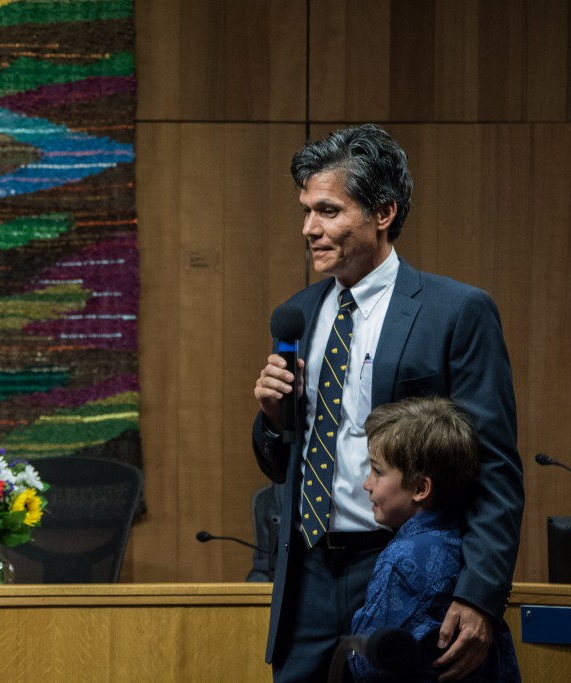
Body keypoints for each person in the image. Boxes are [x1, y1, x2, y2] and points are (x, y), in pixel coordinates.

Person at [251, 124, 524, 683]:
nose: (309, 228)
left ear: (382, 212)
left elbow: (493, 464)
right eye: (306, 211)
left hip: (405, 567)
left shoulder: (456, 311)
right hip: (305, 573)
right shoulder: (298, 313)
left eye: (327, 211)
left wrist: (480, 597)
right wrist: (274, 419)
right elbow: (283, 463)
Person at [349, 396, 520, 682]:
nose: (367, 484)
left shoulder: (402, 561)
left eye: (378, 472)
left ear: (420, 487)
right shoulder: (466, 549)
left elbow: (367, 665)